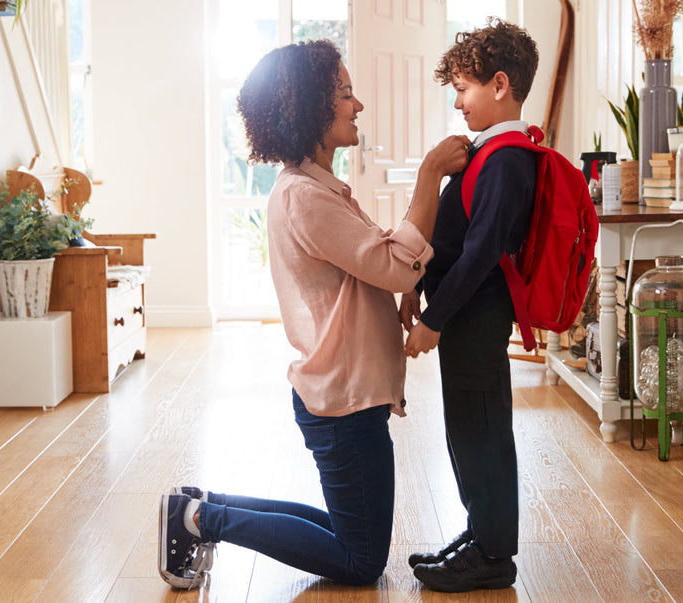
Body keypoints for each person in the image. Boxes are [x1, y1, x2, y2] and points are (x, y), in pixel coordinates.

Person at [157, 39, 471, 590]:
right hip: (344, 403)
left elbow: (373, 266)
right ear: (309, 109)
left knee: (352, 532)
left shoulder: (316, 188)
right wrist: (429, 176)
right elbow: (395, 265)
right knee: (360, 559)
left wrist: (398, 285)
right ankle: (203, 520)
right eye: (346, 94)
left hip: (343, 395)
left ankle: (200, 505)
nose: (359, 106)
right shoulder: (306, 197)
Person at [400, 18, 541, 593]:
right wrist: (417, 285)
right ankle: (481, 534)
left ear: (500, 85)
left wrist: (435, 320)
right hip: (465, 314)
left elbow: (482, 252)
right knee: (466, 427)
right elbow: (455, 237)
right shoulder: (488, 152)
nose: (457, 102)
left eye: (463, 89)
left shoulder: (508, 158)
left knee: (482, 430)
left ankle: (493, 555)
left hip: (476, 315)